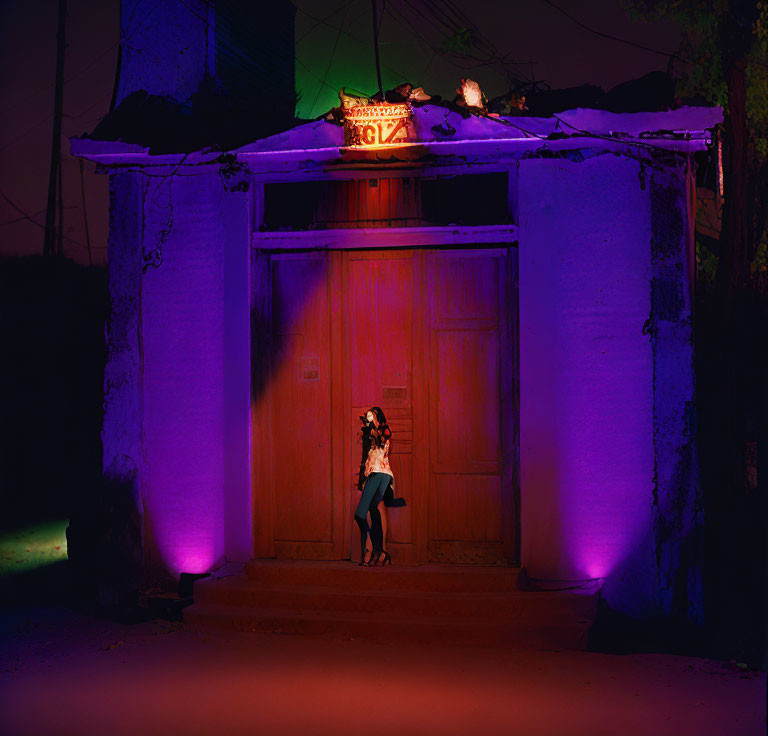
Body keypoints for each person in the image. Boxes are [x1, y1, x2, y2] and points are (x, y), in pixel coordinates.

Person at [354, 406, 405, 566]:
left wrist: (375, 428)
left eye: (373, 416)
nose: (370, 418)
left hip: (380, 473)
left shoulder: (384, 429)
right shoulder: (368, 432)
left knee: (361, 514)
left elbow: (383, 443)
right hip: (372, 473)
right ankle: (380, 551)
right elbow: (366, 455)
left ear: (379, 417)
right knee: (374, 512)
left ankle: (372, 547)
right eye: (369, 416)